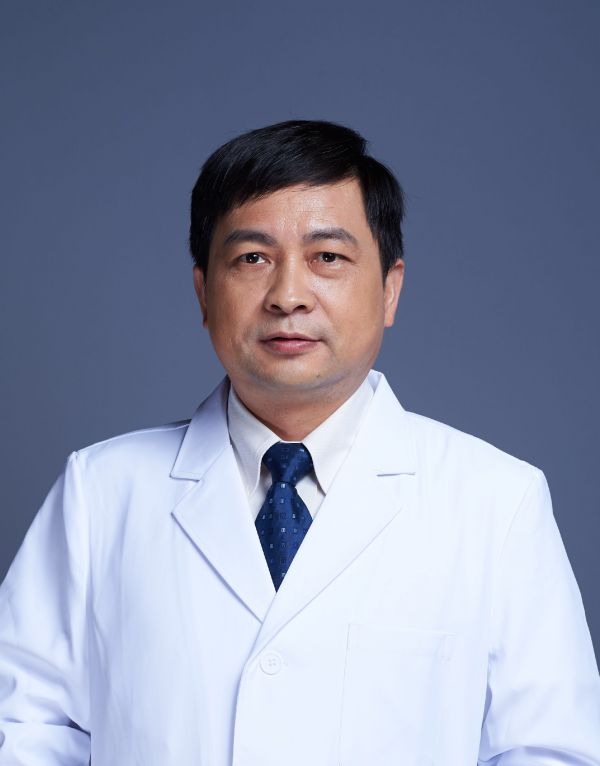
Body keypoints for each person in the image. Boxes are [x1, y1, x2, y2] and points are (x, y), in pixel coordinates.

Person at [0, 120, 599, 766]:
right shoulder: (99, 492)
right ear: (203, 292)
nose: (288, 296)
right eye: (252, 258)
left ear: (390, 288)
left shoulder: (497, 502)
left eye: (328, 258)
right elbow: (25, 727)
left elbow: (551, 750)